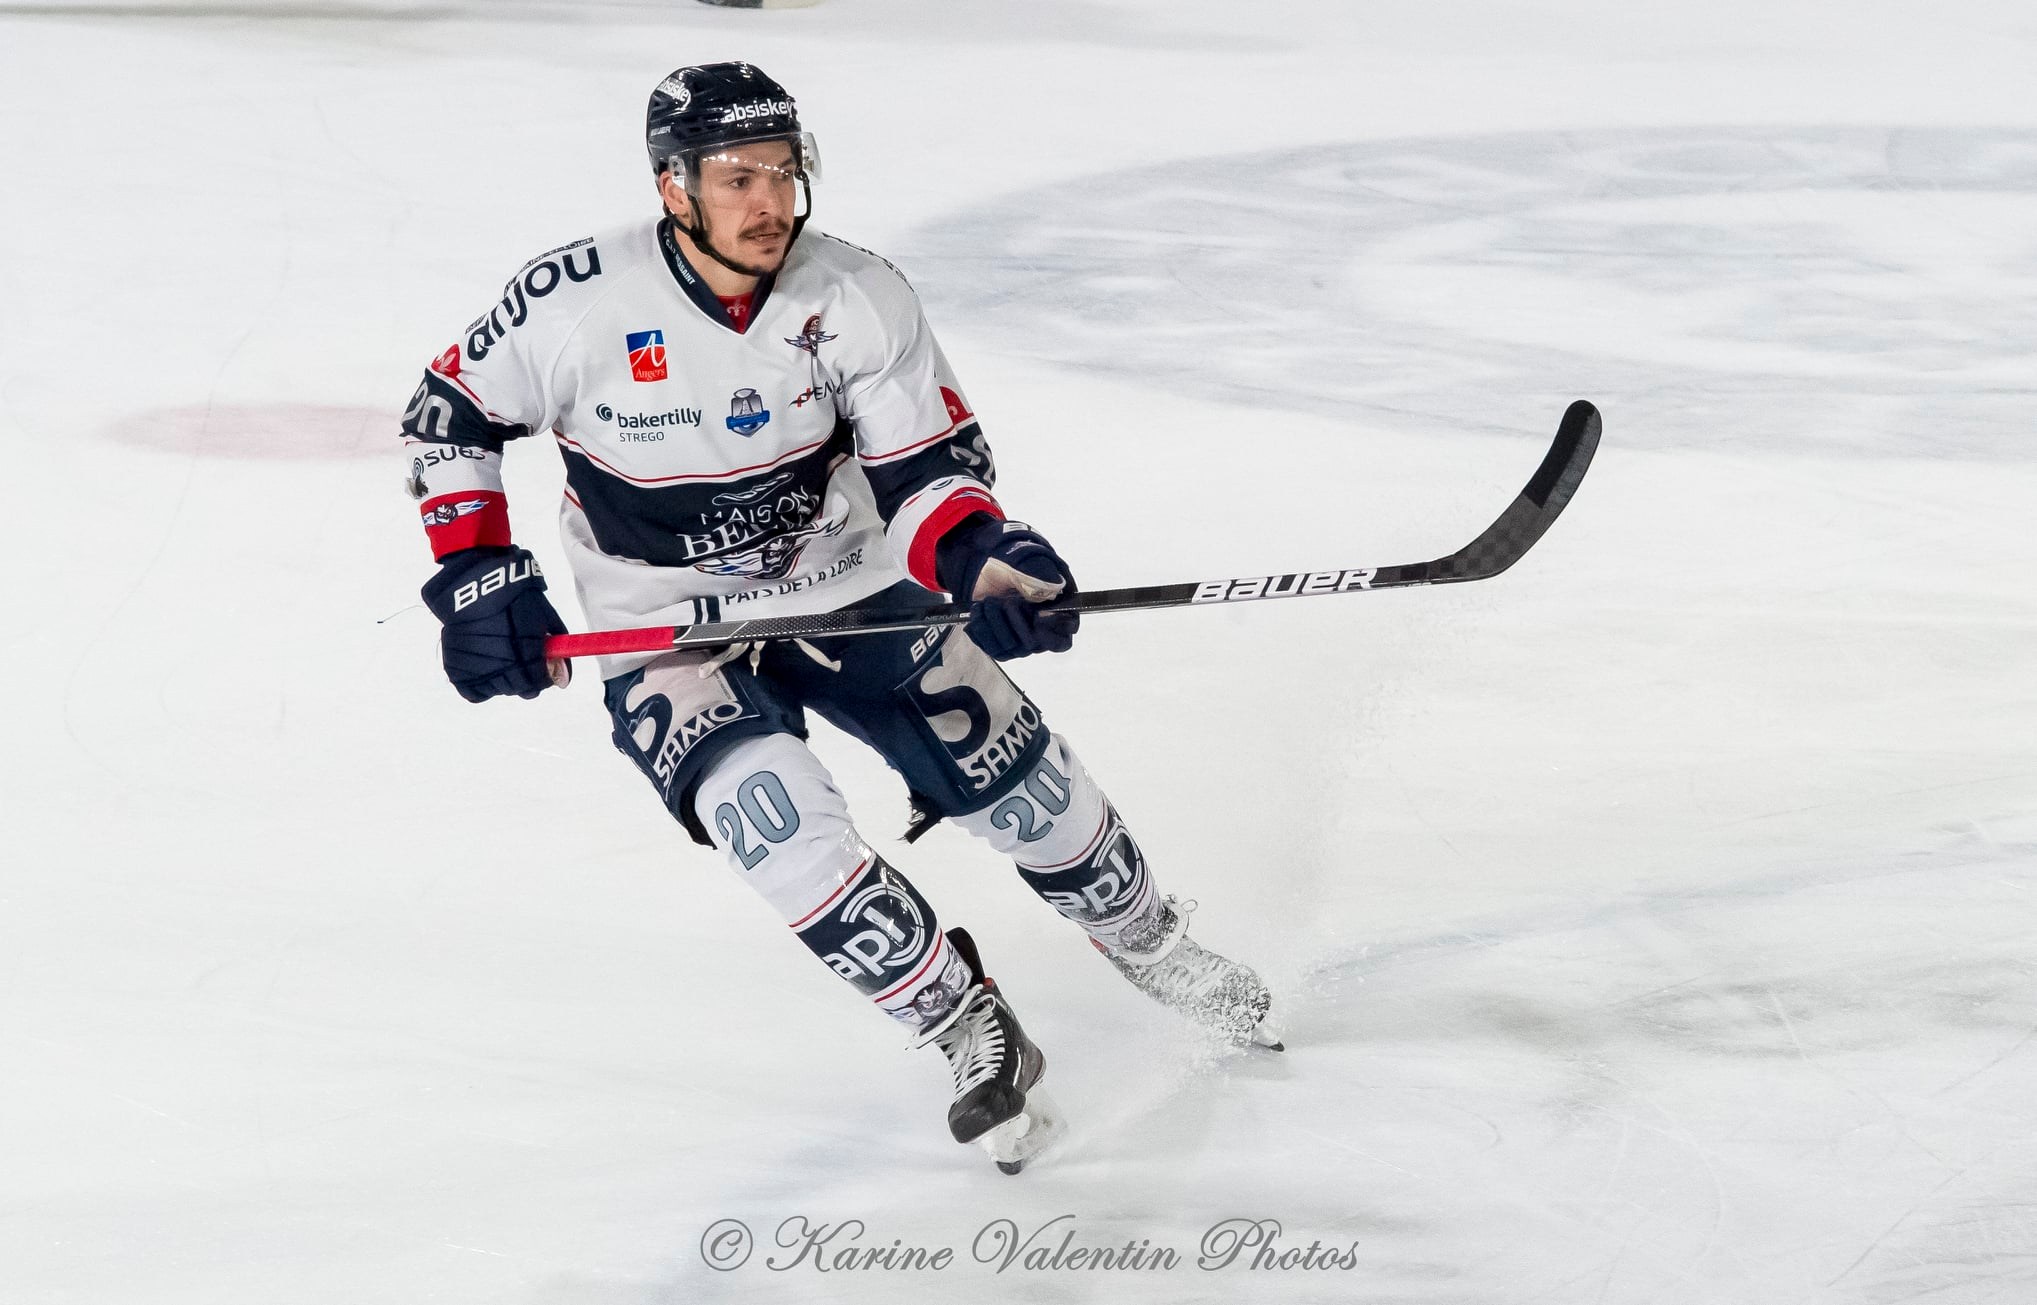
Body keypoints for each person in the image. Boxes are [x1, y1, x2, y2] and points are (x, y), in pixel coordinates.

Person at [399, 61, 1277, 1173]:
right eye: (737, 178)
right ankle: (965, 1022)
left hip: (847, 581)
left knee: (1021, 787)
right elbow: (448, 414)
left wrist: (985, 562)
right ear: (674, 187)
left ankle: (1152, 940)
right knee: (772, 821)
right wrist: (479, 577)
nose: (768, 203)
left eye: (782, 172)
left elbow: (928, 475)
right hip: (664, 622)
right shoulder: (574, 301)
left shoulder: (856, 294)